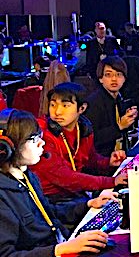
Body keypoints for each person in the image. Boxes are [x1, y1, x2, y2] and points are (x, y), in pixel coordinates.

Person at [0, 108, 113, 257]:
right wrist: (59, 250)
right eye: (33, 139)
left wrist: (87, 204)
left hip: (54, 256)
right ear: (7, 148)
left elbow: (47, 212)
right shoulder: (2, 195)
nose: (42, 143)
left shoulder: (25, 175)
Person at [30, 83, 128, 224]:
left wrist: (108, 162)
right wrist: (111, 181)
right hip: (52, 200)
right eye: (53, 105)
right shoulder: (43, 135)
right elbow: (65, 178)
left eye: (65, 106)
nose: (57, 112)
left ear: (82, 108)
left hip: (73, 193)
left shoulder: (83, 128)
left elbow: (90, 159)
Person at [85, 57, 138, 156]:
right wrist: (119, 126)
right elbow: (91, 139)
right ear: (101, 78)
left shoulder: (118, 97)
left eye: (118, 74)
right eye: (108, 75)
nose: (114, 79)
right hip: (102, 160)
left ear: (124, 79)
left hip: (120, 154)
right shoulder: (93, 102)